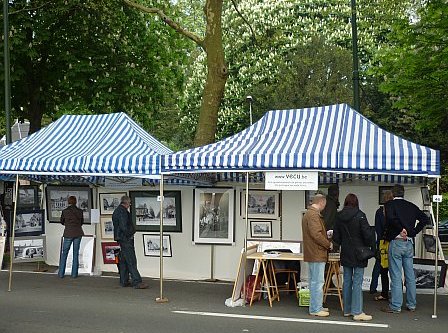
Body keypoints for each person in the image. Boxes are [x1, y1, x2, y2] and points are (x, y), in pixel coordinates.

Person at [381, 184, 429, 313]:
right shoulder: (411, 206)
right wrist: (413, 231)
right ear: (403, 193)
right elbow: (425, 218)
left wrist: (400, 229)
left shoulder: (389, 205)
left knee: (396, 275)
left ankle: (396, 306)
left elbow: (390, 219)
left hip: (396, 242)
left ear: (392, 193)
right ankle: (411, 304)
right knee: (409, 276)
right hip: (409, 243)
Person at [333, 193, 375, 321]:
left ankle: (347, 310)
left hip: (345, 252)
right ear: (356, 203)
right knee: (357, 281)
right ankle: (357, 312)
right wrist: (371, 245)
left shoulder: (339, 216)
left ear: (345, 202)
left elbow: (336, 237)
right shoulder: (360, 215)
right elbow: (367, 235)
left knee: (347, 280)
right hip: (359, 253)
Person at [302, 194, 333, 317]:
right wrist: (328, 244)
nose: (325, 207)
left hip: (312, 252)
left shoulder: (308, 214)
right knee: (317, 282)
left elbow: (314, 234)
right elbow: (316, 234)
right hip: (317, 252)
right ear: (321, 202)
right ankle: (315, 309)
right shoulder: (314, 215)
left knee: (314, 281)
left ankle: (317, 306)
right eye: (325, 204)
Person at [112, 195, 148, 289]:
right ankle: (137, 281)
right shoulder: (122, 212)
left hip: (121, 238)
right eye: (130, 203)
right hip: (126, 239)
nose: (130, 204)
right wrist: (132, 232)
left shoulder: (117, 211)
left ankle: (124, 280)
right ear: (126, 203)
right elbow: (124, 227)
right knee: (131, 260)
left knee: (124, 260)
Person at [369, 190, 394, 300]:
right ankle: (395, 292)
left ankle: (374, 288)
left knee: (379, 266)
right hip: (393, 242)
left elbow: (378, 229)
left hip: (382, 242)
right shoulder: (395, 210)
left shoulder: (379, 211)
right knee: (394, 269)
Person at [58, 196, 84, 278]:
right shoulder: (80, 211)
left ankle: (61, 273)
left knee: (64, 253)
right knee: (75, 253)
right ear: (76, 202)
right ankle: (74, 274)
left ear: (68, 202)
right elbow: (81, 222)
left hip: (68, 233)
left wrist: (68, 224)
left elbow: (61, 221)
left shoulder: (65, 211)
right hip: (78, 233)